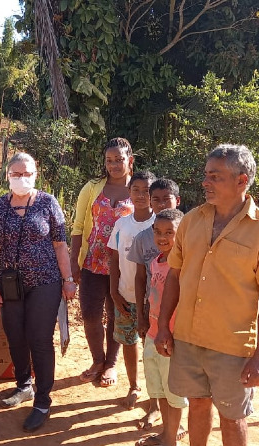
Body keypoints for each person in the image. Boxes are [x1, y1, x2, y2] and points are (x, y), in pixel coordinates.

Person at [154, 144, 259, 446]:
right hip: (188, 337)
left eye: (215, 176)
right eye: (206, 175)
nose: (206, 182)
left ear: (241, 180)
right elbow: (174, 276)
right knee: (198, 404)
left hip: (232, 346)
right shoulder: (191, 221)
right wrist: (164, 325)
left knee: (233, 417)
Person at [0, 152, 76, 432]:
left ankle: (43, 401)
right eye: (16, 174)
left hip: (46, 282)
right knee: (15, 336)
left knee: (39, 339)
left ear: (36, 174)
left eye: (27, 173)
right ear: (7, 175)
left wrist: (68, 279)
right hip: (11, 284)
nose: (21, 178)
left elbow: (60, 245)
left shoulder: (48, 203)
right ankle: (23, 385)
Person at [71, 137, 134, 386]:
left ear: (130, 160)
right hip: (93, 263)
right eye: (109, 160)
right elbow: (77, 227)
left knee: (117, 314)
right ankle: (98, 360)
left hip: (125, 266)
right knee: (90, 314)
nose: (114, 165)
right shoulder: (92, 187)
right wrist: (75, 262)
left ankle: (111, 364)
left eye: (119, 159)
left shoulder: (140, 189)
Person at [134, 208, 188, 446]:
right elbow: (150, 296)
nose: (162, 237)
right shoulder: (156, 260)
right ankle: (166, 432)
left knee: (173, 391)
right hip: (153, 335)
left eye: (170, 232)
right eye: (158, 232)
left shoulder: (184, 266)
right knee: (160, 390)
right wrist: (145, 321)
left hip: (172, 340)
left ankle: (171, 441)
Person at [127, 177, 181, 427]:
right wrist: (140, 315)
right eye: (155, 199)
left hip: (175, 322)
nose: (159, 204)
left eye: (165, 199)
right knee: (153, 369)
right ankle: (154, 408)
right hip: (153, 314)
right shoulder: (143, 239)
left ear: (177, 201)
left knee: (173, 373)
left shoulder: (186, 239)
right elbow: (141, 280)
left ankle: (175, 422)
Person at [107, 170, 156, 407]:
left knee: (153, 348)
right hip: (125, 295)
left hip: (153, 300)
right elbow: (113, 259)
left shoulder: (160, 223)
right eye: (135, 190)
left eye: (146, 191)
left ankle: (156, 396)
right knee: (129, 341)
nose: (141, 195)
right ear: (129, 193)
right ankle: (134, 386)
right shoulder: (121, 224)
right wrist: (114, 292)